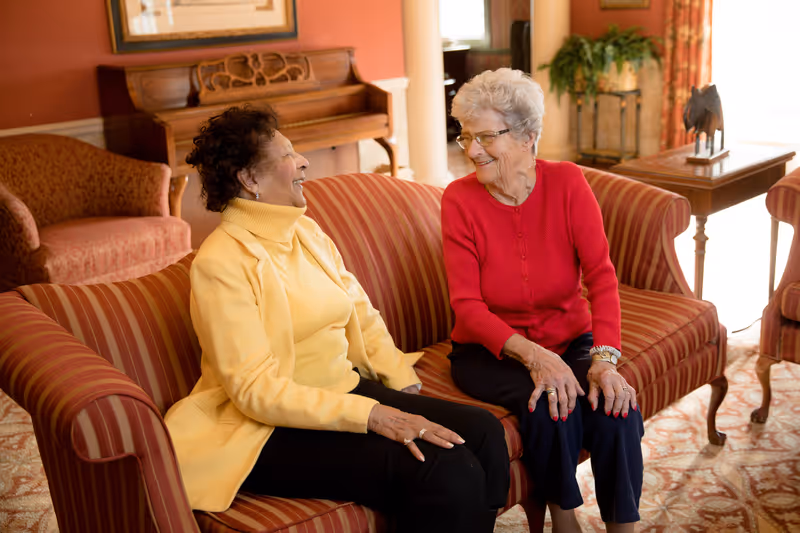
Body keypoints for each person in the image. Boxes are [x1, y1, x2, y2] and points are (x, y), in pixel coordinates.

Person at [163, 106, 509, 533]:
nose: (304, 161)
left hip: (342, 390)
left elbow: (358, 307)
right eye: (289, 155)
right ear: (249, 180)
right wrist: (373, 415)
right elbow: (255, 391)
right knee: (444, 468)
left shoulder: (305, 231)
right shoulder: (221, 261)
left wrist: (400, 382)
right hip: (268, 428)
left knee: (483, 432)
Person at [441, 68, 645, 533]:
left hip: (569, 336)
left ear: (528, 136)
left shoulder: (568, 183)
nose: (472, 150)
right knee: (552, 401)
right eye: (466, 137)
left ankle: (623, 527)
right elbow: (468, 306)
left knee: (616, 407)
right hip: (488, 351)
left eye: (486, 137)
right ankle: (564, 520)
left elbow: (601, 276)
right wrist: (535, 357)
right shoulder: (459, 200)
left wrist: (604, 359)